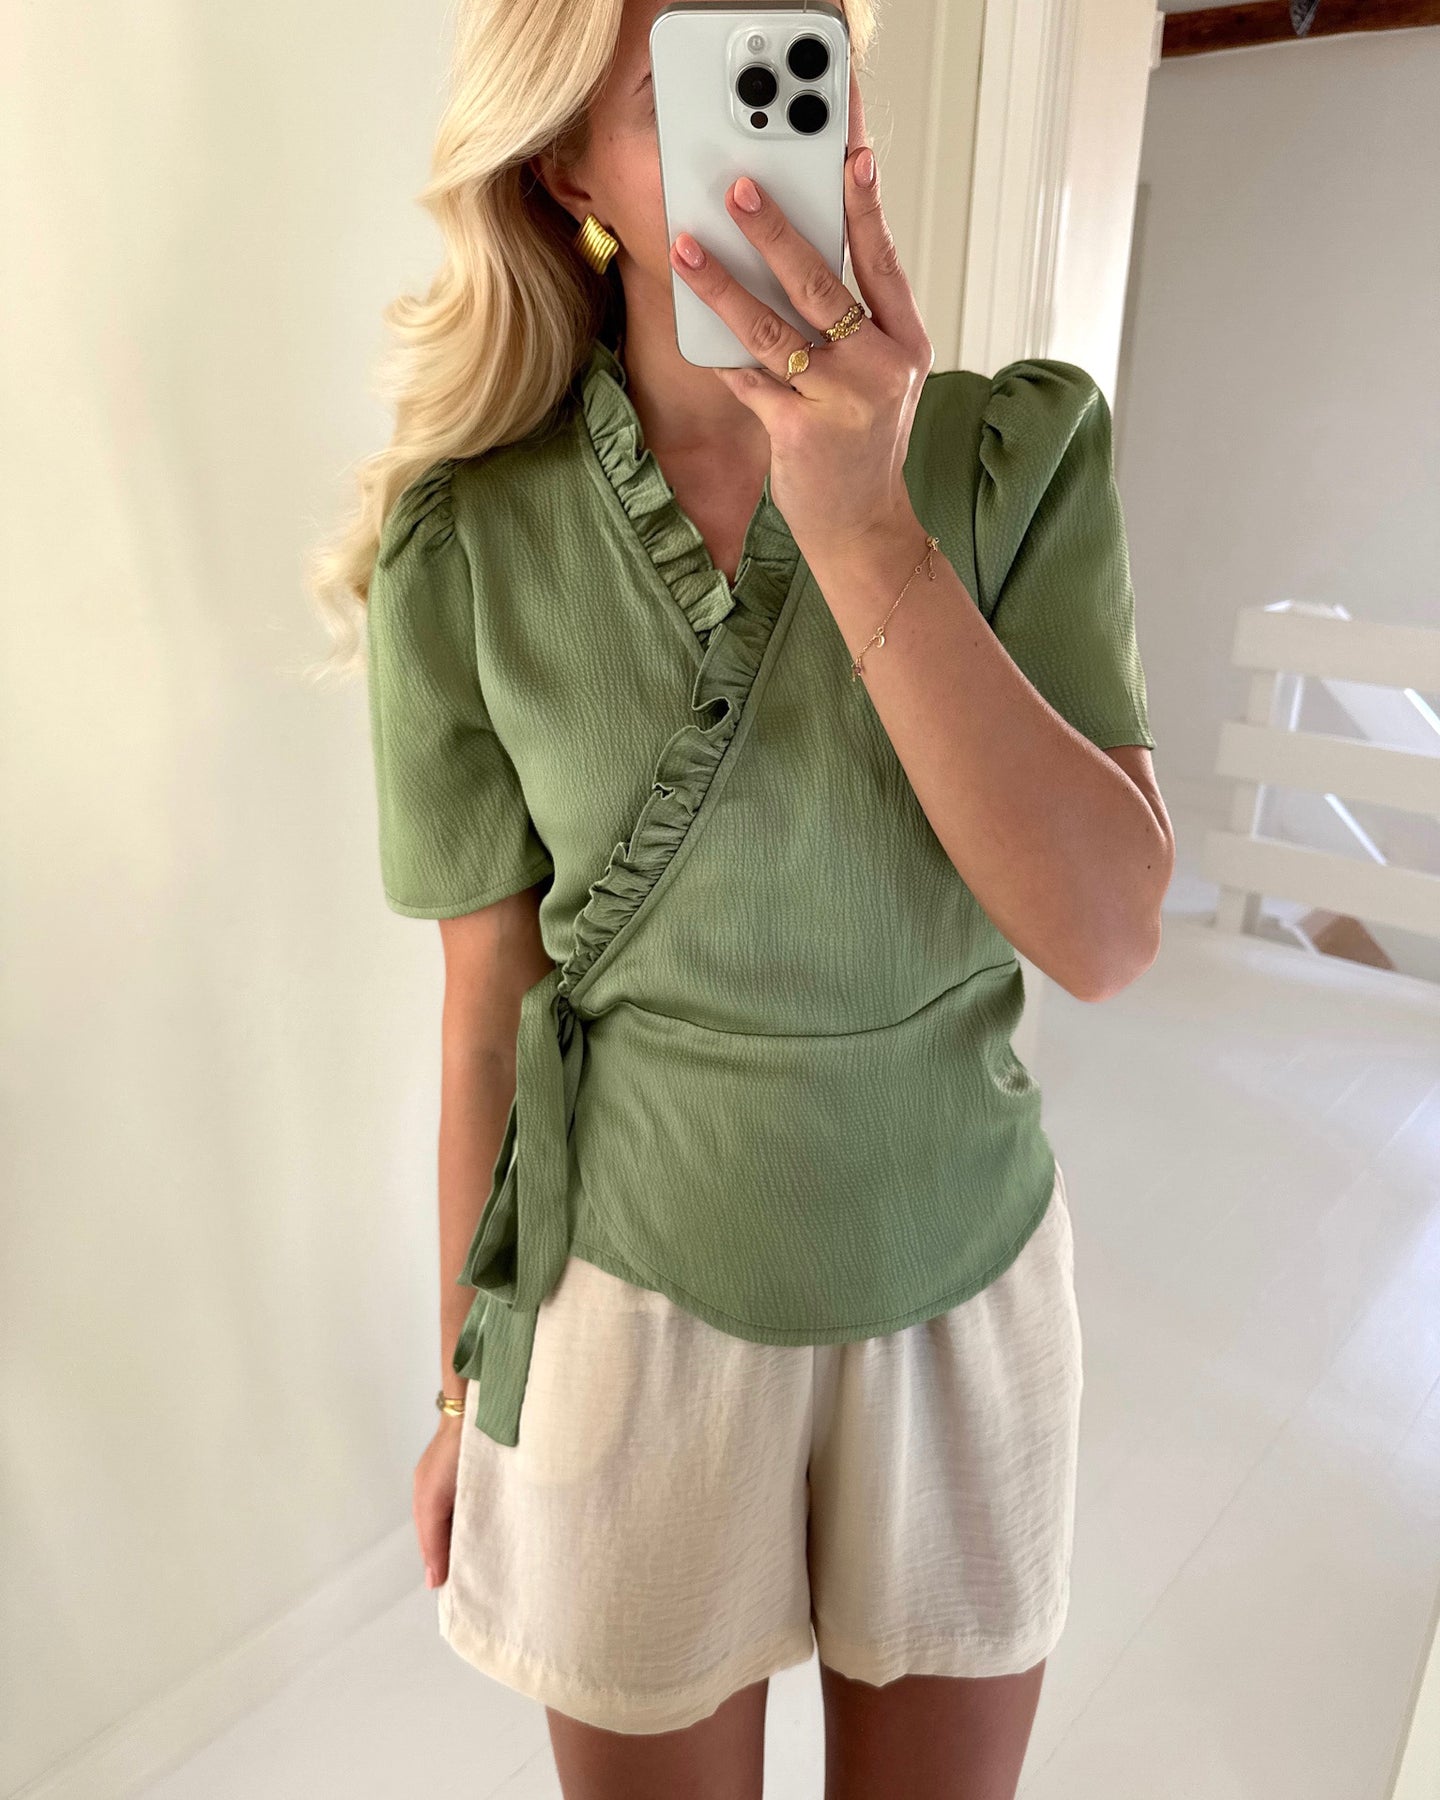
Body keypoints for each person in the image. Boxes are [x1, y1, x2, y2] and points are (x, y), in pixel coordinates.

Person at [309, 1, 1175, 1793]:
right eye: (689, 87)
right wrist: (464, 1387)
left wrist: (861, 521)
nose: (781, 128)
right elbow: (487, 1018)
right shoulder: (468, 546)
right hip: (623, 1305)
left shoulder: (1012, 463)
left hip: (964, 1293)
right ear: (570, 171)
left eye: (804, 52)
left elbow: (1106, 937)